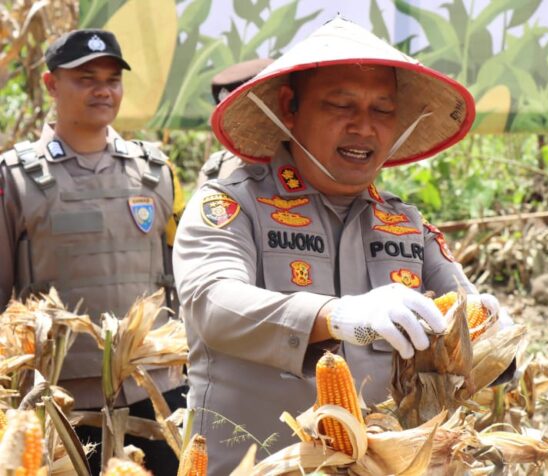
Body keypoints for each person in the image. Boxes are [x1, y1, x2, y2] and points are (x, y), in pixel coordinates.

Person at [174, 17, 507, 474]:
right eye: (340, 105)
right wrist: (336, 316)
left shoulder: (406, 224)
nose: (364, 127)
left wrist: (491, 334)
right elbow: (211, 304)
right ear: (290, 108)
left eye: (382, 110)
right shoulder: (232, 206)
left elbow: (466, 319)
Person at [0, 29, 186, 474]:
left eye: (112, 79)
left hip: (154, 395)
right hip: (59, 398)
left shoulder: (155, 172)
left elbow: (176, 280)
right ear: (51, 85)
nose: (103, 89)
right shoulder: (17, 179)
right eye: (86, 78)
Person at [196, 58, 273, 187]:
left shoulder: (309, 168)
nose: (236, 131)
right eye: (230, 123)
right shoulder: (214, 172)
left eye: (250, 117)